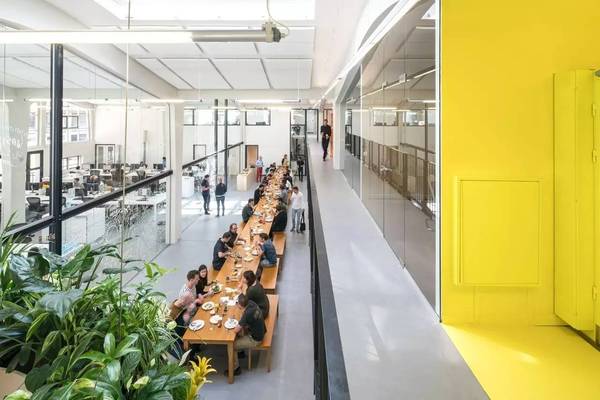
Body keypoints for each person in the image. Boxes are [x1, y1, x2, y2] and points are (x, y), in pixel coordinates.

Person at [226, 293, 266, 376]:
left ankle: (235, 368)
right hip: (261, 330)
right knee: (240, 332)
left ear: (240, 305)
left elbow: (236, 330)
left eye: (237, 303)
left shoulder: (247, 313)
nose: (236, 304)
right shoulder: (251, 303)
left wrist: (230, 325)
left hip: (256, 339)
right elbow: (243, 318)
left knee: (232, 345)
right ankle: (241, 352)